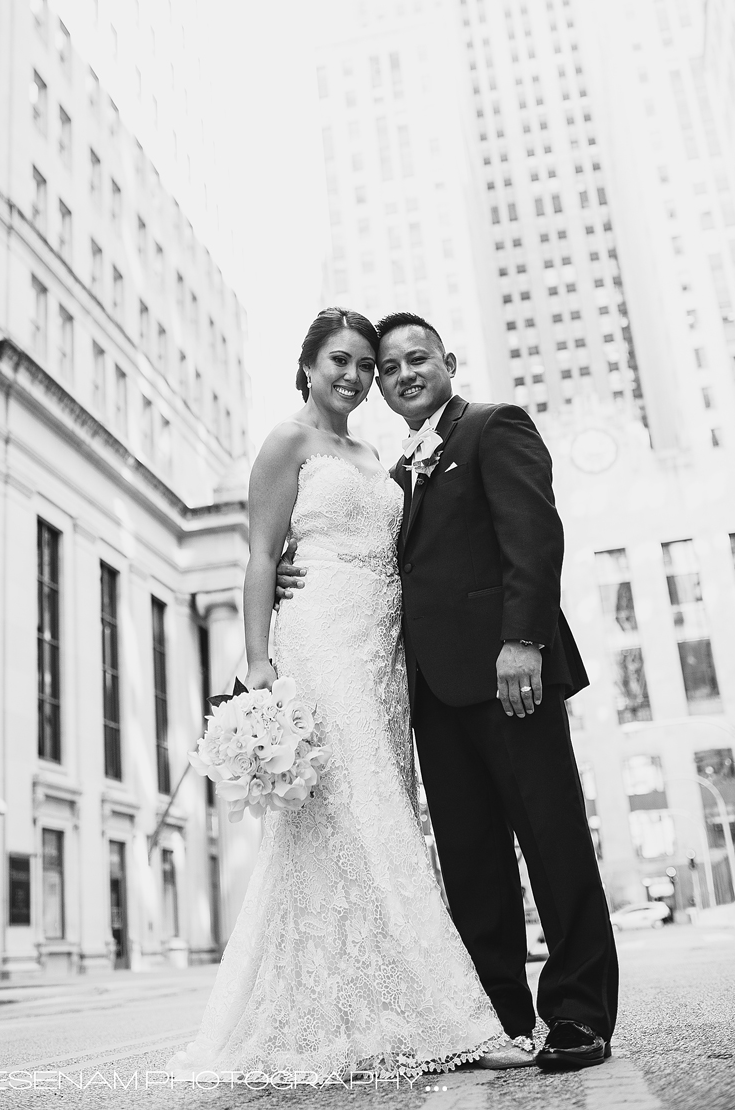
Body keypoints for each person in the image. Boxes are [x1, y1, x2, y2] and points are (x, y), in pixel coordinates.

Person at [166, 309, 503, 1083]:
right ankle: (452, 1013)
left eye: (363, 366)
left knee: (368, 816)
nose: (353, 378)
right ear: (308, 366)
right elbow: (259, 555)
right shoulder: (288, 440)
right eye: (339, 362)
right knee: (372, 813)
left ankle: (363, 1006)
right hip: (322, 640)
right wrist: (259, 664)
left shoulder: (374, 449)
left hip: (386, 650)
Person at [278, 312, 619, 1071]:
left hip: (510, 677)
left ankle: (578, 1014)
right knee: (470, 862)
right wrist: (282, 571)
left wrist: (522, 641)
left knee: (552, 841)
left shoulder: (495, 427)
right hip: (429, 690)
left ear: (448, 362)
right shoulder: (393, 471)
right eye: (385, 365)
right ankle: (496, 1015)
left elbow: (534, 535)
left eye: (413, 359)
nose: (398, 373)